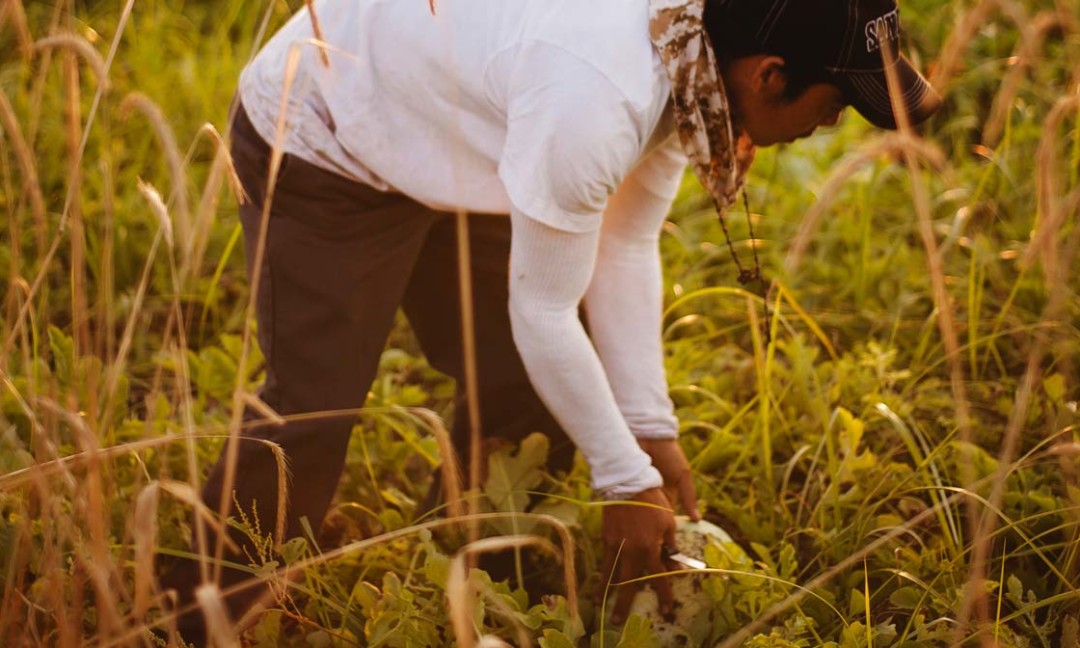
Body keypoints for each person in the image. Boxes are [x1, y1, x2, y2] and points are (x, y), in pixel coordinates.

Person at [159, 0, 940, 642]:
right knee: (316, 399)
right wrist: (623, 479)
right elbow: (544, 308)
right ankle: (198, 613)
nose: (830, 125)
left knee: (539, 387)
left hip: (471, 133)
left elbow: (624, 243)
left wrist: (646, 429)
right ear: (770, 78)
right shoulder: (599, 97)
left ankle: (462, 559)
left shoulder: (693, 60)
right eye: (835, 106)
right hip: (327, 126)